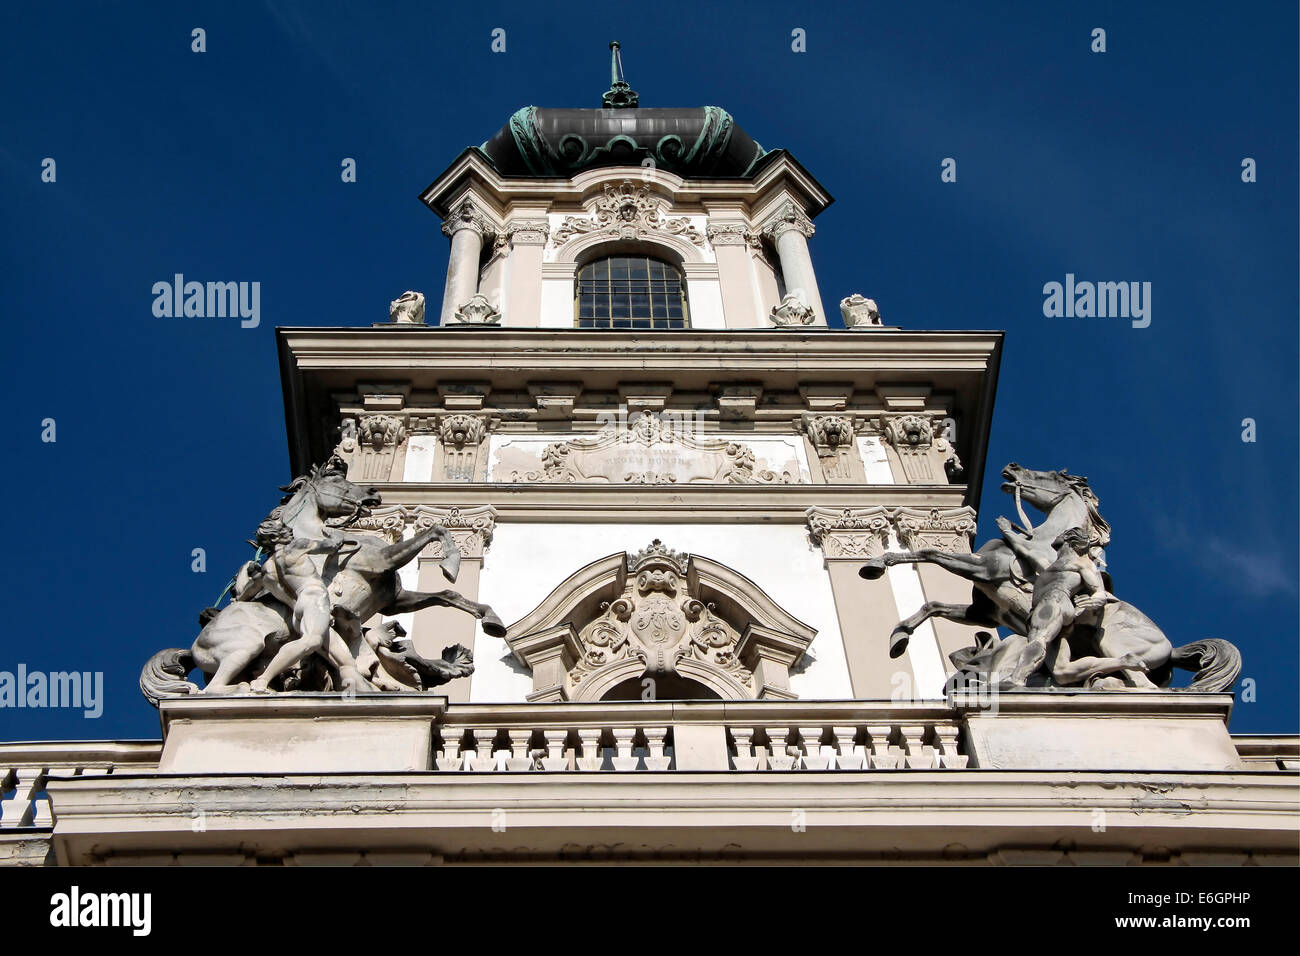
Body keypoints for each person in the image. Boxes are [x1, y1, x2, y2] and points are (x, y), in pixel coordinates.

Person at [247, 517, 355, 693]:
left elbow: (247, 592)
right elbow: (332, 545)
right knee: (311, 641)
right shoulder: (297, 547)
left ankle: (353, 695)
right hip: (315, 599)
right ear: (276, 536)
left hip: (299, 610)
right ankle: (263, 680)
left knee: (346, 662)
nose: (289, 531)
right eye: (284, 530)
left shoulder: (266, 568)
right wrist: (336, 535)